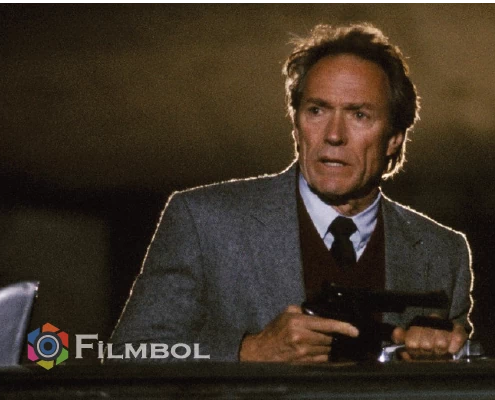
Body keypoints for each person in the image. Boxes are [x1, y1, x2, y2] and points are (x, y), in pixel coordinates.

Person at [109, 23, 473, 363]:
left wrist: (446, 359)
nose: (334, 135)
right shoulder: (203, 222)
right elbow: (130, 353)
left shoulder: (442, 253)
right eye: (317, 110)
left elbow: (467, 370)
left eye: (359, 115)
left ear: (394, 138)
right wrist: (249, 351)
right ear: (296, 125)